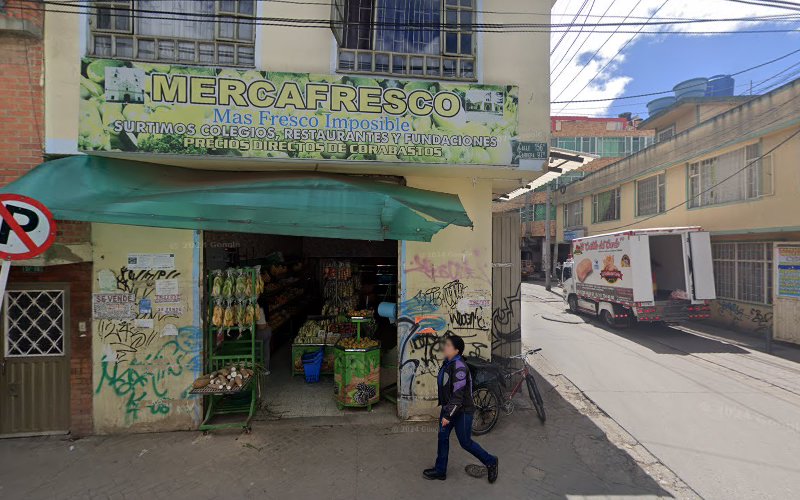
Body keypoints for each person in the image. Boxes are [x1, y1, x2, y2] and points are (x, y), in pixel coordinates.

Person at [423, 334, 498, 483]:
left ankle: (491, 461)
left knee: (465, 442)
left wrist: (447, 416)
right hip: (449, 408)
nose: (445, 347)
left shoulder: (459, 368)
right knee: (443, 438)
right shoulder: (448, 362)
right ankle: (440, 471)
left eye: (448, 346)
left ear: (456, 350)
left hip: (462, 412)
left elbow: (458, 396)